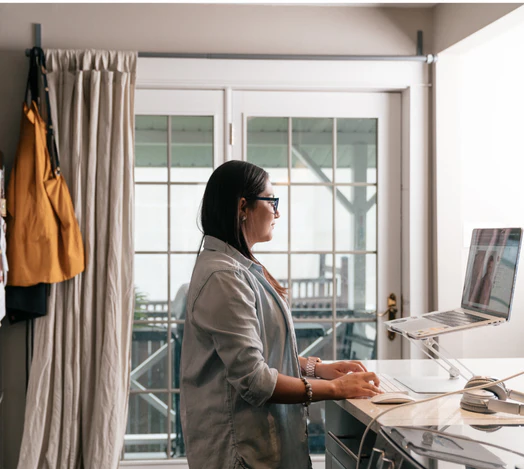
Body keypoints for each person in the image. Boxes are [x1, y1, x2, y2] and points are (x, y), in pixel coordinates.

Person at [180, 160, 381, 469]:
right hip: (241, 453)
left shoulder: (235, 267)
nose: (277, 212)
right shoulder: (224, 277)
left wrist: (318, 369)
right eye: (271, 201)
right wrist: (336, 389)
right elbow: (255, 380)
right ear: (243, 207)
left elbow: (257, 352)